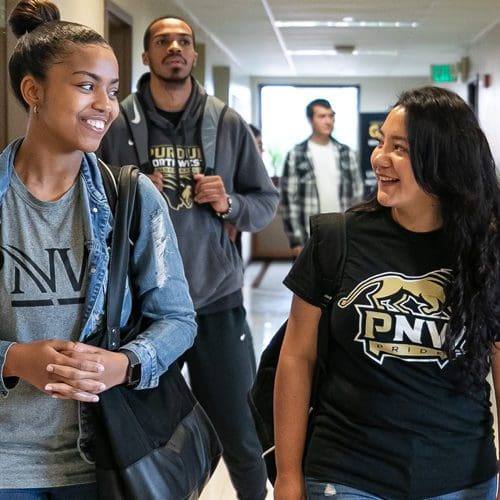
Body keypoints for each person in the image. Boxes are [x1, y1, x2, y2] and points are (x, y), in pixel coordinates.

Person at [0, 1, 196, 498]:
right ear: (33, 91)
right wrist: (14, 359)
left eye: (111, 90)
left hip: (104, 460)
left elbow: (178, 318)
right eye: (86, 86)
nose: (105, 106)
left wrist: (126, 364)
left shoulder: (131, 197)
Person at [274, 86, 500, 500]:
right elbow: (296, 357)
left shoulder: (485, 252)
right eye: (381, 143)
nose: (379, 158)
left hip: (460, 476)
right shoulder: (336, 239)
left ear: (443, 161)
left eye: (399, 148)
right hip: (347, 474)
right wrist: (287, 477)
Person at [98, 15, 278, 500]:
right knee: (144, 429)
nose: (173, 48)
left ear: (194, 55)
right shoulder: (117, 121)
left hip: (215, 299)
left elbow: (264, 203)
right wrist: (128, 193)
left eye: (183, 41)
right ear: (146, 55)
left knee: (240, 425)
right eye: (162, 41)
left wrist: (229, 203)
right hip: (141, 308)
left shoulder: (227, 122)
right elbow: (84, 200)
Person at [281, 98, 364, 256]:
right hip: (309, 235)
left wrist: (356, 232)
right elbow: (289, 200)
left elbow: (357, 196)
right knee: (309, 281)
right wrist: (296, 239)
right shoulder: (296, 155)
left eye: (331, 116)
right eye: (322, 116)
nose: (328, 121)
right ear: (310, 120)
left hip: (342, 233)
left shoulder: (347, 153)